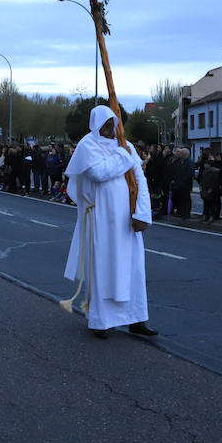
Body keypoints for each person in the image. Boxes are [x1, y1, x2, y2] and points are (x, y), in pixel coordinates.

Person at [62, 105, 156, 339]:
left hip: (127, 220)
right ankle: (101, 321)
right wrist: (124, 156)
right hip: (101, 219)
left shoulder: (125, 144)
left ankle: (136, 318)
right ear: (96, 124)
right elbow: (98, 173)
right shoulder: (87, 146)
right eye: (105, 124)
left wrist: (143, 213)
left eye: (113, 123)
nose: (110, 128)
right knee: (104, 269)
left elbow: (140, 180)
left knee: (133, 269)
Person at [165, 148, 193, 219]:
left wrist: (182, 182)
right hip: (180, 184)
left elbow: (188, 175)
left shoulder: (189, 162)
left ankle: (186, 214)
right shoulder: (181, 161)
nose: (181, 154)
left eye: (182, 153)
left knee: (186, 199)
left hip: (186, 185)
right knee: (181, 199)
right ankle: (181, 212)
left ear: (185, 154)